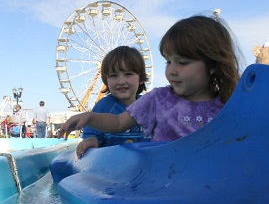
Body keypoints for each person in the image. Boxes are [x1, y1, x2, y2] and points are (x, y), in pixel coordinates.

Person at [58, 14, 242, 144]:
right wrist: (90, 117)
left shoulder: (228, 107)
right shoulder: (158, 100)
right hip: (160, 186)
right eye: (168, 62)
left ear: (212, 65)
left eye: (182, 62)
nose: (172, 70)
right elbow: (118, 123)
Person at [75, 45, 150, 158]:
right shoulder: (103, 107)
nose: (121, 81)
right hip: (112, 165)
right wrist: (91, 142)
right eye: (113, 76)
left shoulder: (149, 106)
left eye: (128, 74)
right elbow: (93, 134)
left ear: (141, 78)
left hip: (144, 164)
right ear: (106, 80)